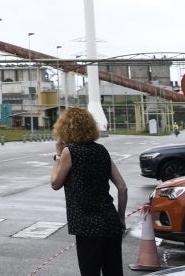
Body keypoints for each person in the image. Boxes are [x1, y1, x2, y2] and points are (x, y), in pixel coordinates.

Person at [50, 107, 128, 276]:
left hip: (86, 226)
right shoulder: (102, 151)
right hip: (110, 222)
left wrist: (57, 156)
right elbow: (122, 188)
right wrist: (121, 218)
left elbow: (55, 184)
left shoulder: (69, 152)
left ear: (65, 129)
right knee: (114, 272)